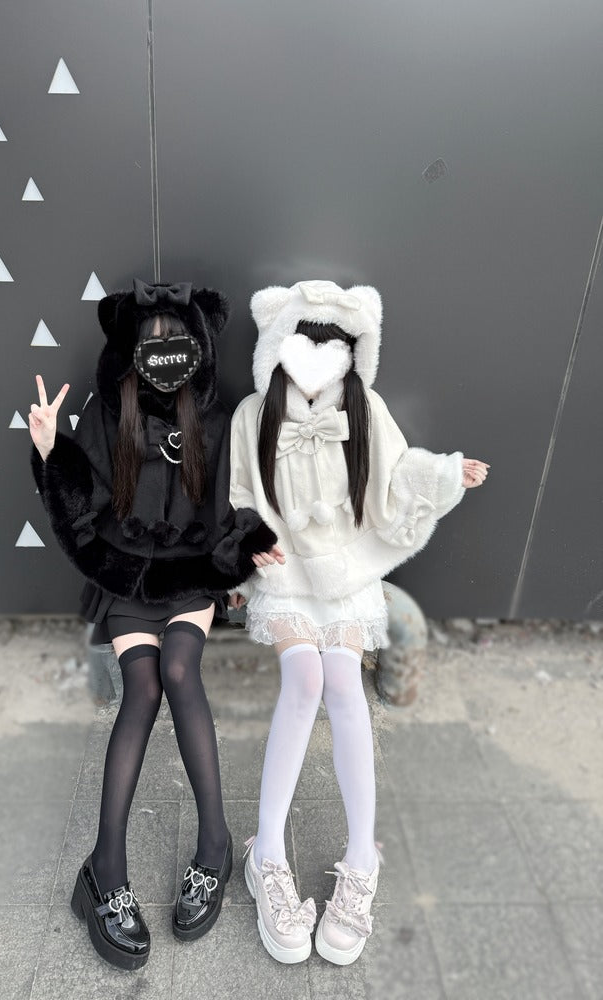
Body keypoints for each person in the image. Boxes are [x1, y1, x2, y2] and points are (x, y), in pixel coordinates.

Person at [228, 279, 489, 965]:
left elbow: (400, 474)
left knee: (345, 686)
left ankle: (360, 861)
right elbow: (236, 496)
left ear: (351, 353)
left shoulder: (364, 409)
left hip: (344, 570)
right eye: (304, 340)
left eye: (331, 345)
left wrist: (443, 474)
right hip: (283, 568)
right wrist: (246, 545)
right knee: (305, 681)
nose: (317, 357)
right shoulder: (252, 414)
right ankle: (269, 855)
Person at [28, 279, 276, 970]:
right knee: (141, 688)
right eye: (152, 341)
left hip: (186, 573)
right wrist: (52, 449)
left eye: (176, 339)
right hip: (130, 577)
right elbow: (86, 507)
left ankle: (215, 847)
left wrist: (250, 549)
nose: (164, 352)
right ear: (133, 349)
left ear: (196, 346)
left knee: (178, 669)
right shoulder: (115, 412)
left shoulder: (212, 415)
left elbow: (229, 508)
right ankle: (104, 871)